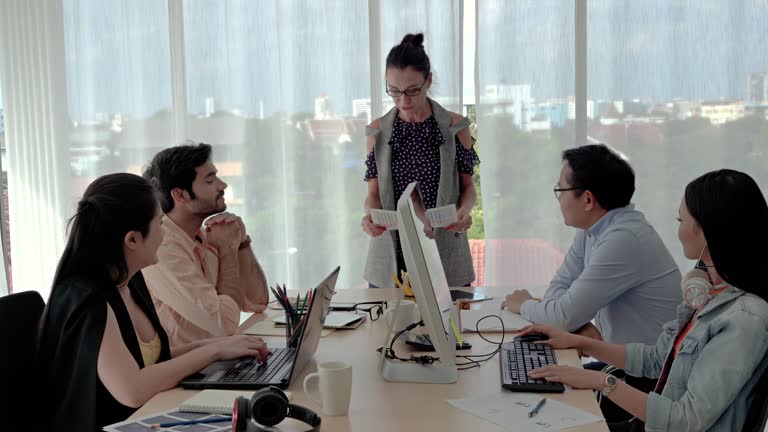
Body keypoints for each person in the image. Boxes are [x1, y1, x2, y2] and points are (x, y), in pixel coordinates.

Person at [521, 169, 768, 431]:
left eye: (680, 219)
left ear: (706, 231)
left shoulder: (744, 320)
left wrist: (601, 382)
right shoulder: (705, 293)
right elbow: (655, 358)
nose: (678, 230)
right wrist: (579, 342)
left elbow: (686, 420)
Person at [36, 173, 270, 431]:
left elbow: (154, 360)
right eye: (160, 224)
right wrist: (213, 351)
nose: (165, 234)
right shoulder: (87, 299)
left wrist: (224, 344)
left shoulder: (131, 280)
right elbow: (132, 390)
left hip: (141, 418)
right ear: (132, 239)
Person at [504, 144, 681, 346]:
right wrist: (577, 323)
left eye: (560, 190)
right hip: (622, 362)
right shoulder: (592, 228)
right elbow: (561, 286)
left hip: (648, 373)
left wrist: (524, 304)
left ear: (587, 199)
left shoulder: (624, 239)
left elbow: (562, 315)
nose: (559, 199)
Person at [362, 33, 479, 288]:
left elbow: (468, 188)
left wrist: (464, 212)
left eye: (412, 91)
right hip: (392, 257)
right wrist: (369, 216)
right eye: (394, 91)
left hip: (445, 252)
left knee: (451, 326)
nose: (403, 101)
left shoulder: (455, 126)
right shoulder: (377, 131)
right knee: (388, 327)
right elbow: (373, 195)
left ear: (429, 81)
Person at [141, 143, 269, 347]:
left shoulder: (204, 235)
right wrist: (228, 250)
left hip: (216, 361)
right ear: (180, 195)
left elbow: (258, 301)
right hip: (189, 373)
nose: (222, 185)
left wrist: (241, 242)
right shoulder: (163, 247)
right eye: (210, 180)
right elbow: (225, 325)